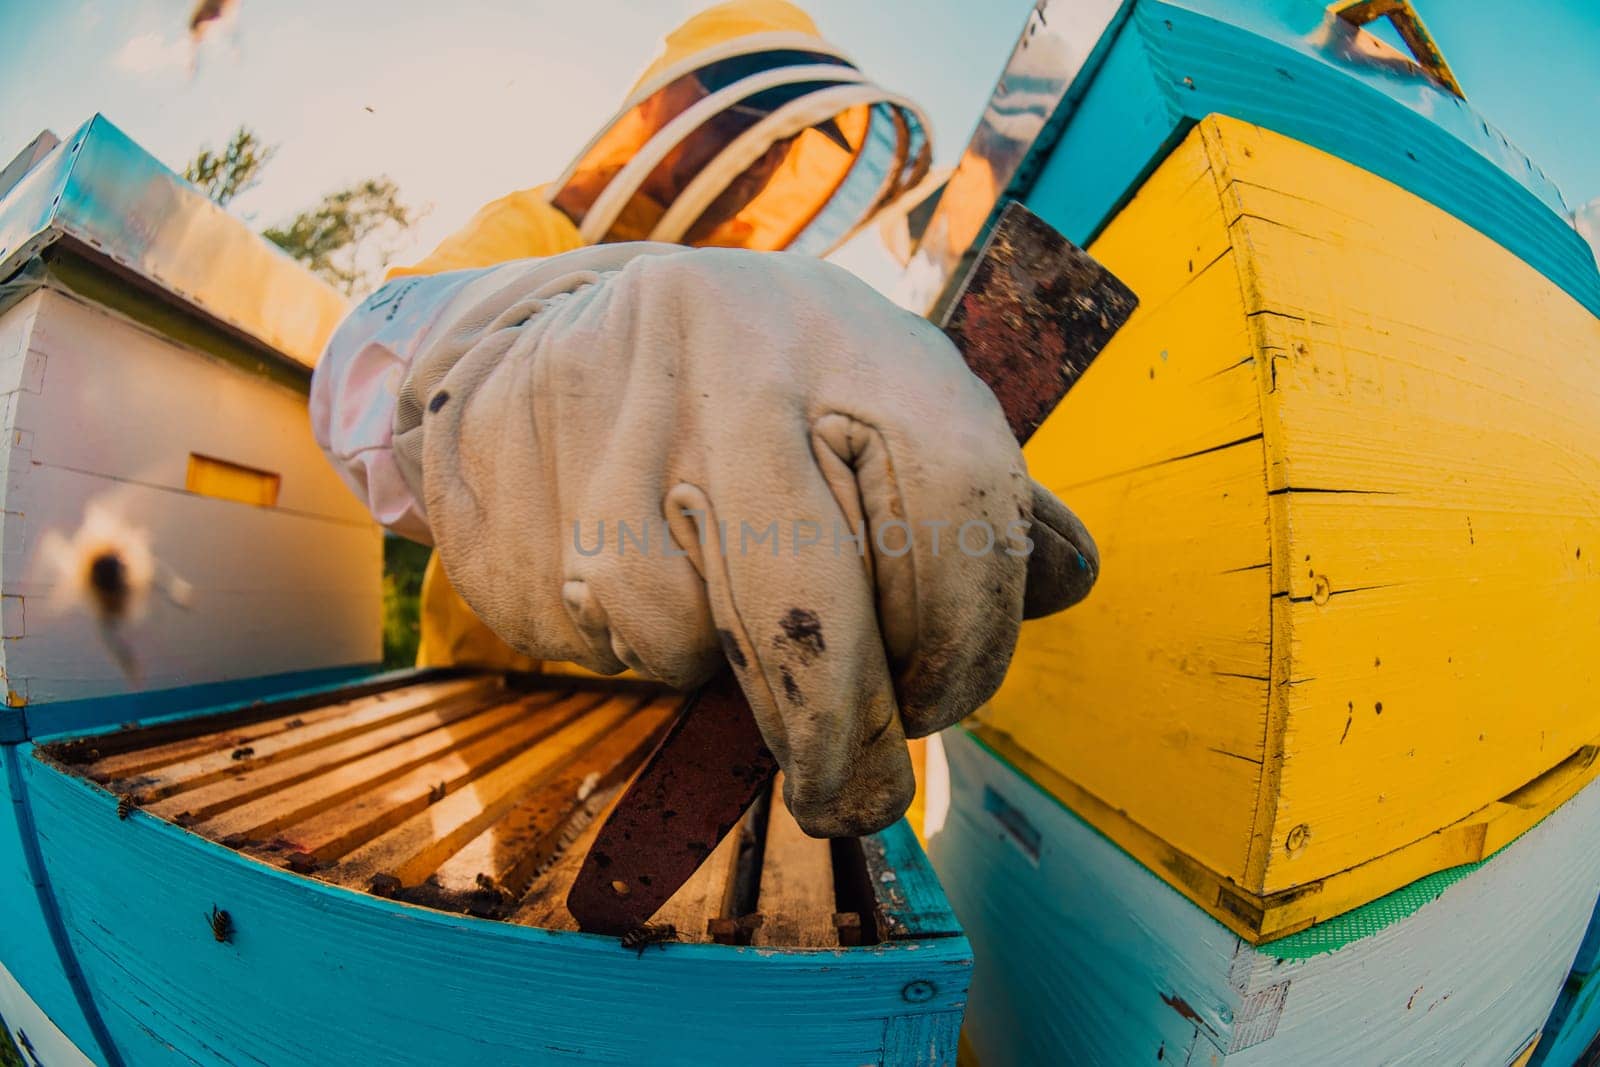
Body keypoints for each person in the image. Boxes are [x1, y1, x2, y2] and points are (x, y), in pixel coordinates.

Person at [310, 0, 1098, 838]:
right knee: (508, 890)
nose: (756, 172)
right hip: (505, 695)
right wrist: (539, 386)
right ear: (669, 113)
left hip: (703, 729)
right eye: (749, 129)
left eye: (787, 154)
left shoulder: (767, 314)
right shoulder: (534, 227)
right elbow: (372, 360)